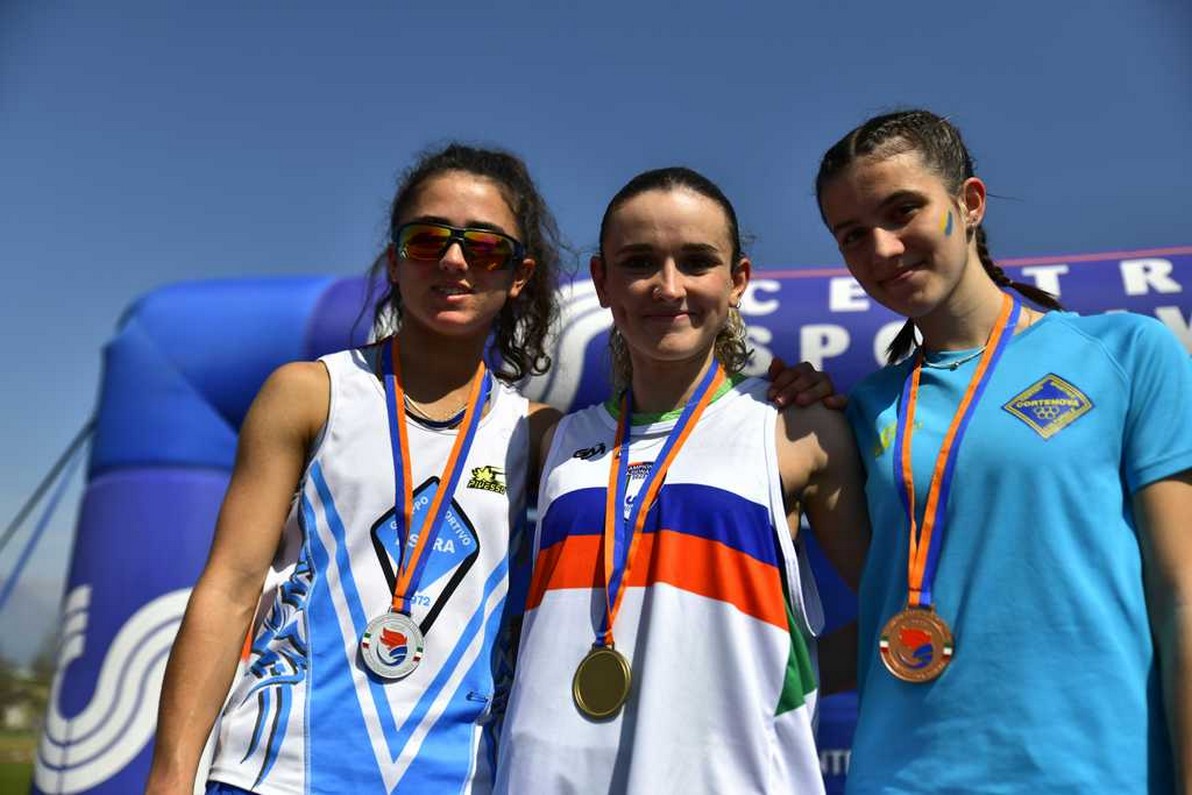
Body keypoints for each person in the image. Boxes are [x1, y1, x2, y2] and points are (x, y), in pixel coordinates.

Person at [145, 145, 835, 795]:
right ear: (394, 261)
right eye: (427, 240)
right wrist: (172, 774)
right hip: (281, 770)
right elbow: (229, 589)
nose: (453, 261)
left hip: (456, 776)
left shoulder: (544, 435)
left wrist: (791, 391)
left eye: (483, 248)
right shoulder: (310, 393)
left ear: (518, 276)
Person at [814, 109, 1192, 792]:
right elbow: (885, 606)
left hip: (1094, 774)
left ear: (970, 202)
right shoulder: (861, 410)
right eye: (853, 235)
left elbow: (1181, 598)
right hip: (901, 777)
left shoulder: (1127, 353)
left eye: (903, 211)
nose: (883, 249)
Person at [495, 167, 870, 794]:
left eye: (696, 262)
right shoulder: (552, 440)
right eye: (639, 262)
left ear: (737, 280)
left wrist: (762, 692)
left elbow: (892, 606)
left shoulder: (794, 428)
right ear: (602, 282)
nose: (668, 287)